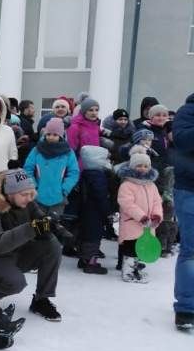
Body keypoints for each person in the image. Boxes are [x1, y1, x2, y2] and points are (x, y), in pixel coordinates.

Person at [0, 169, 63, 322]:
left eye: (31, 193)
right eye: (24, 194)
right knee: (15, 283)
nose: (29, 198)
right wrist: (32, 228)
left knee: (52, 246)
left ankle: (41, 299)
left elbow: (40, 222)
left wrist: (55, 228)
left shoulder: (28, 203)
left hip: (17, 251)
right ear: (9, 193)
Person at [116, 151, 162, 283]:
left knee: (141, 248)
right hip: (132, 223)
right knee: (131, 249)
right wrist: (141, 217)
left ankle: (136, 269)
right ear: (132, 167)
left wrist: (156, 216)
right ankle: (128, 272)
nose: (142, 168)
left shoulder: (151, 185)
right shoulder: (127, 185)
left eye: (145, 166)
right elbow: (127, 204)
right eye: (139, 165)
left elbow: (157, 202)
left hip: (148, 226)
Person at [23, 117, 80, 218]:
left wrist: (65, 189)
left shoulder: (68, 152)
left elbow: (74, 172)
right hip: (38, 197)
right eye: (48, 134)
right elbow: (28, 169)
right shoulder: (37, 150)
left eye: (55, 135)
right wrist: (33, 186)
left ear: (61, 136)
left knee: (53, 227)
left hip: (58, 198)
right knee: (38, 227)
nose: (51, 137)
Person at [172, 92, 194, 330]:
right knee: (191, 250)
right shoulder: (188, 111)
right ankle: (186, 307)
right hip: (190, 190)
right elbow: (182, 139)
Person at [75, 146, 113, 274]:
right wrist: (107, 211)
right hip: (95, 212)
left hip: (85, 210)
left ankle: (83, 259)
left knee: (85, 234)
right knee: (94, 236)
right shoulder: (98, 176)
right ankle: (91, 262)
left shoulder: (85, 173)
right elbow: (101, 196)